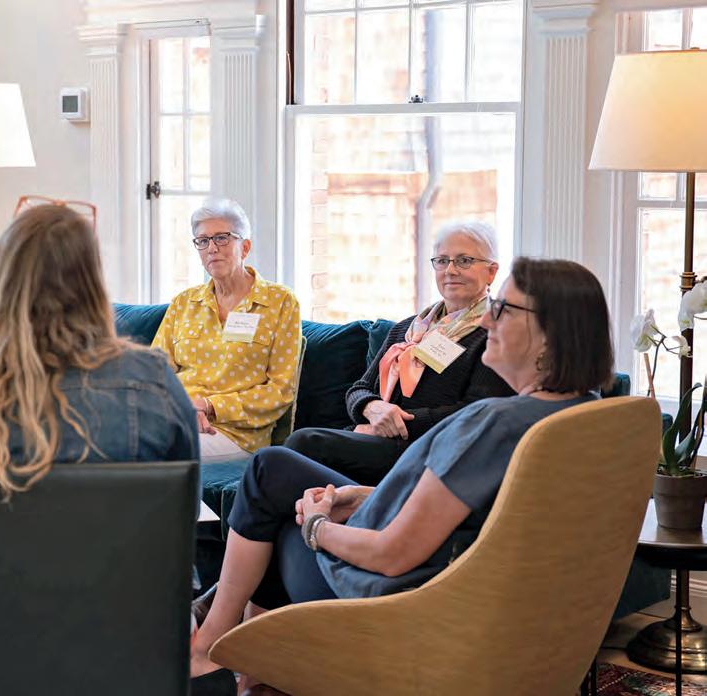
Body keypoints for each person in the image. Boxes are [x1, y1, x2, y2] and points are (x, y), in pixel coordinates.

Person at [189, 258, 613, 694]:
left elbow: (390, 556)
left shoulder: (493, 424)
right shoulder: (584, 412)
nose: (487, 319)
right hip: (473, 595)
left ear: (549, 334)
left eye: (502, 309)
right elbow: (490, 511)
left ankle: (217, 651)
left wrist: (317, 527)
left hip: (396, 605)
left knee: (280, 505)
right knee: (277, 470)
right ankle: (256, 669)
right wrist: (364, 496)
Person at [0, 204, 200, 621]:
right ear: (93, 281)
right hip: (129, 637)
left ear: (2, 283)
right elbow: (180, 532)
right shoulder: (155, 384)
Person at [284, 221, 515, 485]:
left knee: (302, 444)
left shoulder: (493, 333)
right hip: (375, 438)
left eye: (464, 260)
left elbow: (477, 411)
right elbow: (359, 389)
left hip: (425, 449)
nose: (450, 270)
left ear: (491, 272)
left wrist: (393, 424)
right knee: (281, 458)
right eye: (442, 261)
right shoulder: (407, 329)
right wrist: (373, 408)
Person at [151, 198, 302, 462]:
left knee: (147, 449)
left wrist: (209, 406)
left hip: (234, 433)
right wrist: (182, 407)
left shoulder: (280, 302)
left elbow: (280, 391)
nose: (211, 248)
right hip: (175, 418)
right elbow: (153, 372)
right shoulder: (184, 302)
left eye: (221, 238)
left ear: (245, 247)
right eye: (202, 241)